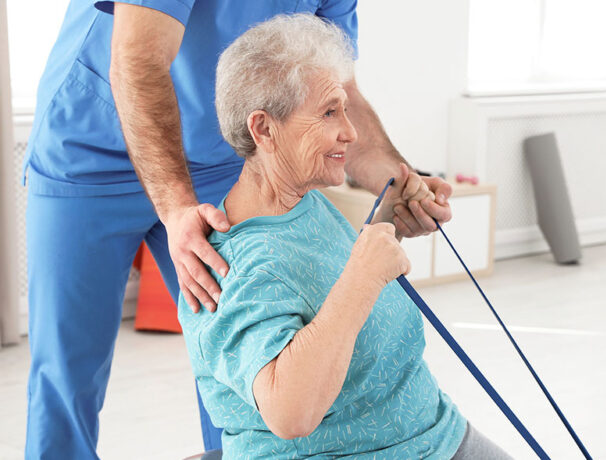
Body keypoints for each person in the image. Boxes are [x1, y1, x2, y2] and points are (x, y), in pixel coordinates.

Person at [22, 1, 453, 458]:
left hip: (212, 159)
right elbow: (138, 59)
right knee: (66, 375)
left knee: (242, 363)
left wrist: (397, 181)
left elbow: (335, 85)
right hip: (90, 152)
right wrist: (177, 207)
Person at [177, 14, 514, 459]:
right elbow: (291, 413)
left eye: (345, 109)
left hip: (433, 430)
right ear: (263, 129)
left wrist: (391, 218)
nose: (351, 133)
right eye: (329, 112)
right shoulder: (230, 266)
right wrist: (364, 276)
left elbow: (324, 286)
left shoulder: (304, 202)